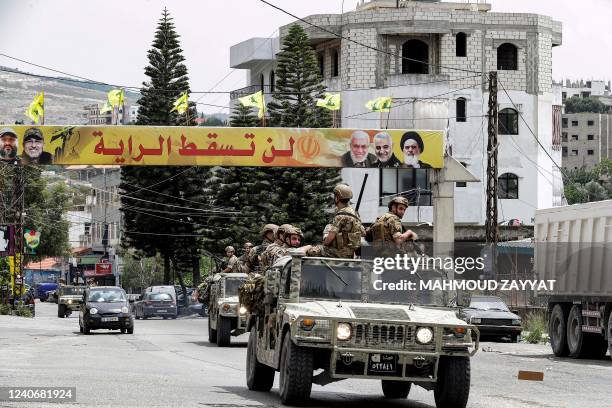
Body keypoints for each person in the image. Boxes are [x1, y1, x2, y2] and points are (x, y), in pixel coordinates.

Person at [305, 184, 365, 258]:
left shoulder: (340, 216)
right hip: (350, 255)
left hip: (337, 253)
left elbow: (329, 239)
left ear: (337, 198)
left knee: (310, 251)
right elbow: (363, 233)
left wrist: (324, 244)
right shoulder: (355, 214)